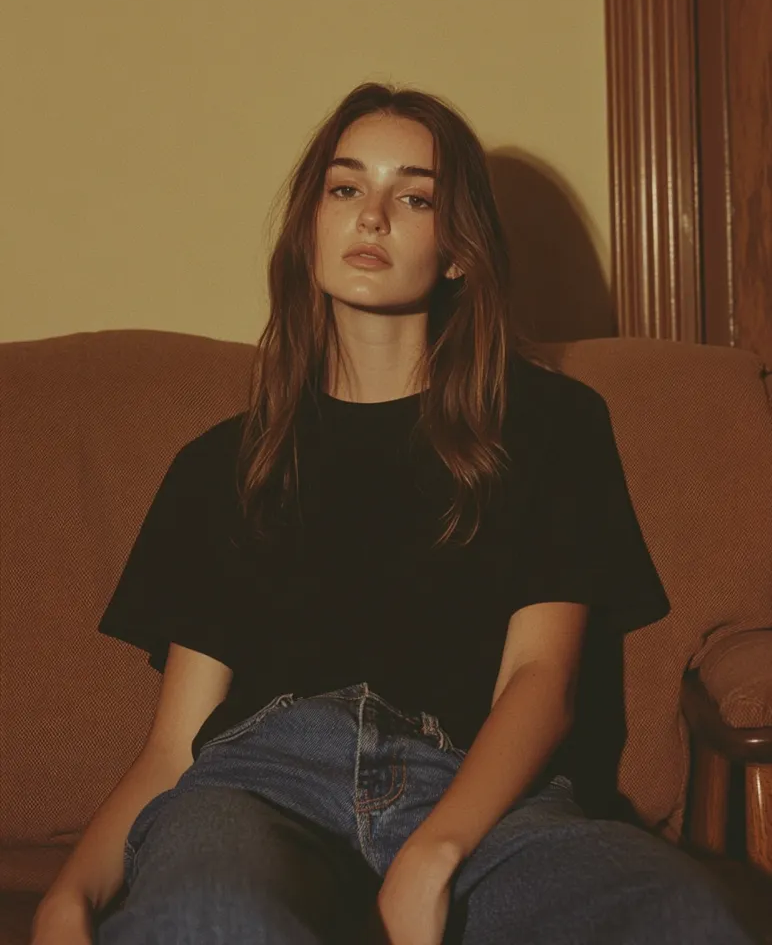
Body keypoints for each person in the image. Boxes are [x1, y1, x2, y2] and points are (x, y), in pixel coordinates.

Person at [31, 83, 754, 945]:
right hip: (258, 787)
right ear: (310, 226)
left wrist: (434, 854)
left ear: (457, 251)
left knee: (681, 915)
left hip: (481, 797)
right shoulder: (223, 463)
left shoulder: (550, 426)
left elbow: (540, 682)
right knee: (205, 917)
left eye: (413, 197)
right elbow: (172, 749)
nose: (371, 217)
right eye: (345, 189)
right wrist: (68, 898)